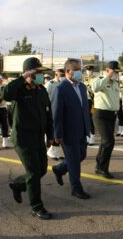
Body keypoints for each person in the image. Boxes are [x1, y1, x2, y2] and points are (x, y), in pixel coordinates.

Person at [3, 57, 54, 220]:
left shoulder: (41, 90)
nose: (41, 76)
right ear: (29, 73)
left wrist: (50, 135)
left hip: (38, 137)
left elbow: (48, 115)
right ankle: (36, 206)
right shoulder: (19, 90)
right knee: (33, 173)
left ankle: (18, 185)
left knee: (41, 170)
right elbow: (6, 94)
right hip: (23, 138)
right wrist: (22, 78)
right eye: (37, 72)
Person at [51, 58, 91, 200]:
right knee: (74, 160)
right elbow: (56, 113)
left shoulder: (82, 87)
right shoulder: (60, 88)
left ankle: (60, 168)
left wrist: (88, 127)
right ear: (68, 71)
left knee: (82, 155)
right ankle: (76, 187)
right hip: (68, 132)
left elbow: (84, 108)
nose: (80, 72)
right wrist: (58, 134)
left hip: (81, 129)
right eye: (78, 70)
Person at [91, 61, 121, 179]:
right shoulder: (98, 79)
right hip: (101, 114)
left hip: (111, 115)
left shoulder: (115, 83)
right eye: (115, 72)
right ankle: (103, 168)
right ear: (109, 70)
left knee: (105, 142)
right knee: (109, 141)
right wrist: (107, 76)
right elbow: (95, 88)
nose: (117, 74)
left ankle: (99, 166)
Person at [45, 68, 65, 161]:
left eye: (63, 75)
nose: (62, 77)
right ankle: (52, 151)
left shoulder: (64, 83)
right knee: (54, 130)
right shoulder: (50, 84)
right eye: (61, 75)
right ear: (56, 75)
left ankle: (55, 151)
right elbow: (45, 96)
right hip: (52, 109)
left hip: (61, 109)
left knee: (59, 130)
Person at [84, 64, 96, 146]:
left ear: (92, 70)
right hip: (86, 100)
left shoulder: (95, 79)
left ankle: (92, 137)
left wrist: (89, 89)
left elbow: (96, 91)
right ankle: (87, 136)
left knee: (91, 120)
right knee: (86, 119)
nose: (88, 71)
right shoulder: (85, 78)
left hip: (93, 101)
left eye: (90, 70)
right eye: (87, 70)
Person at [115, 70, 123, 137]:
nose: (122, 76)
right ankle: (120, 129)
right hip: (119, 99)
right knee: (120, 115)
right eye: (121, 75)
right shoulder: (117, 81)